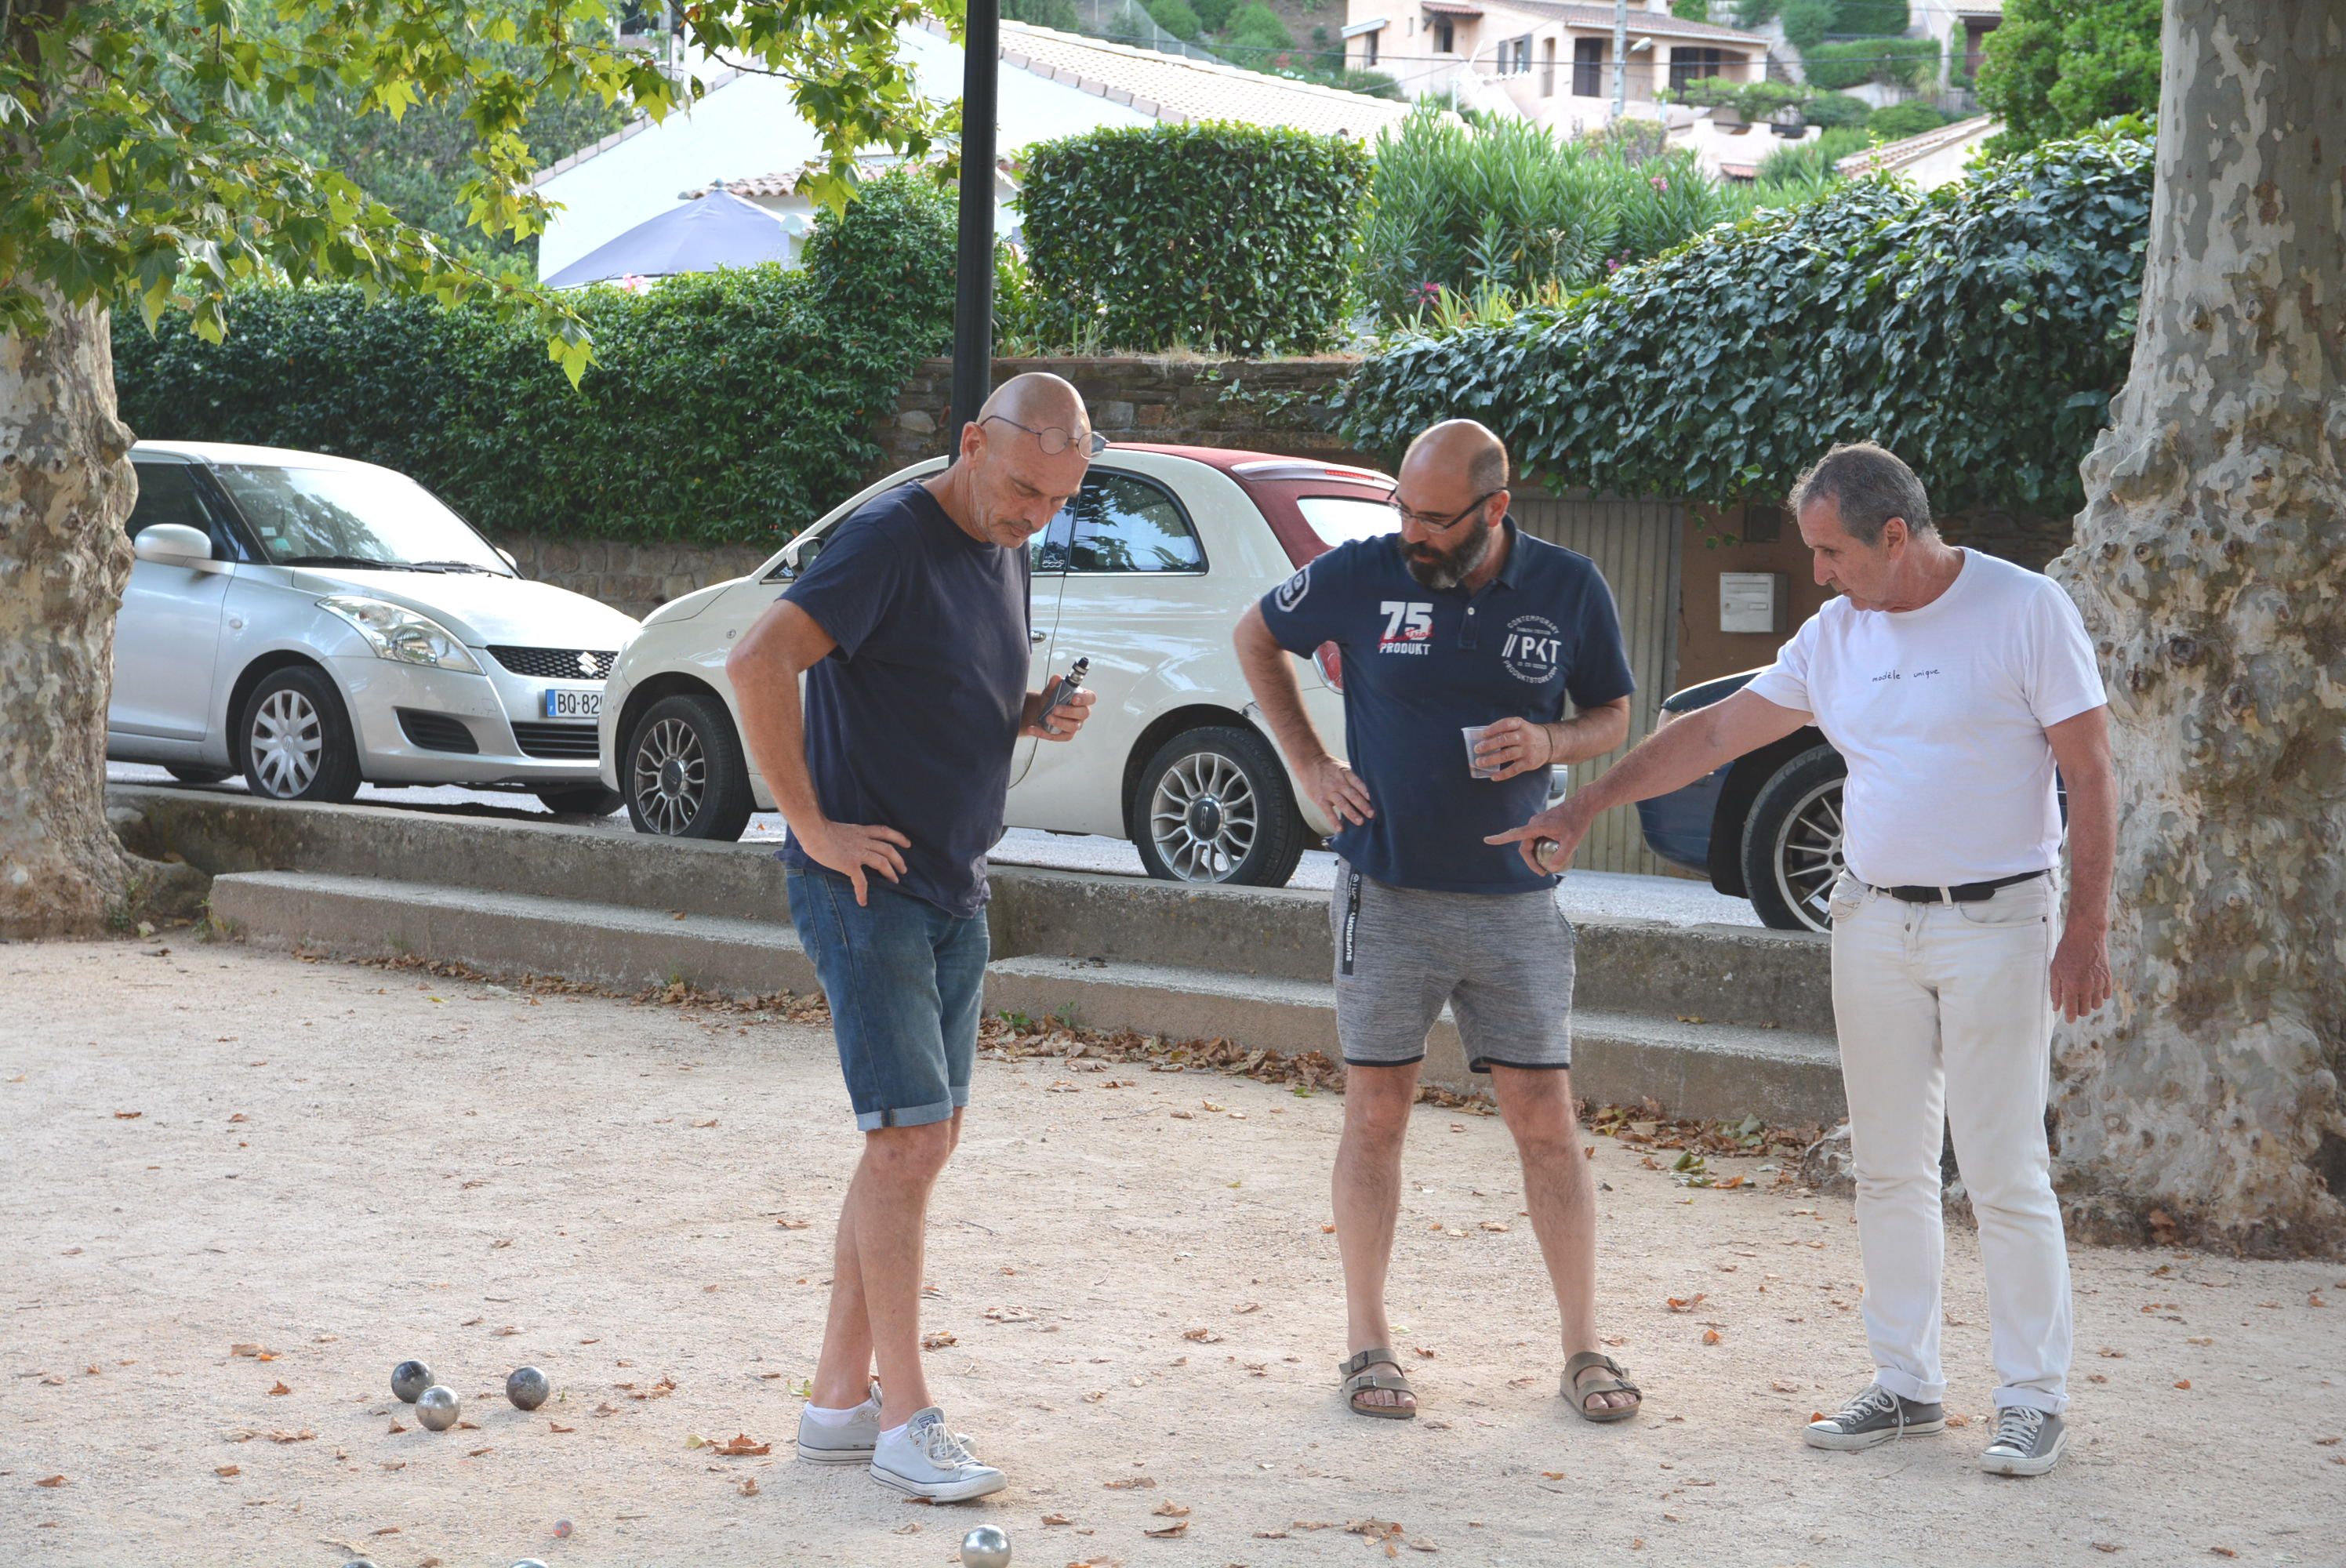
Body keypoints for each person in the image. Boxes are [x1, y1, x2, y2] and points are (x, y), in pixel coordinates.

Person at [1491, 442, 2113, 1477]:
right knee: (1888, 1165)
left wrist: (2084, 931)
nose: (1818, 573)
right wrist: (1588, 800)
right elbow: (1714, 735)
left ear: (1895, 537)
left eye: (1830, 552)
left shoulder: (2024, 610)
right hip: (1869, 922)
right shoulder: (1836, 634)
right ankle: (1907, 1384)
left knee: (2004, 1168)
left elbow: (2090, 773)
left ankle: (2032, 1397)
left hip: (2002, 922)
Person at [724, 374, 1102, 1502]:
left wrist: (1030, 712)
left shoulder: (1006, 535)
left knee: (915, 1145)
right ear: (974, 442)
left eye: (1057, 501)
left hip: (954, 883)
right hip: (866, 887)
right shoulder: (888, 536)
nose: (1035, 516)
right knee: (904, 1147)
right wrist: (810, 824)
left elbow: (934, 675)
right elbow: (756, 660)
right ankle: (907, 1416)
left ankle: (839, 1403)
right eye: (1025, 489)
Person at [1233, 419, 1642, 1423]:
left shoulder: (1568, 586)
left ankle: (1584, 1349)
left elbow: (1614, 715)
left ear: (1495, 508)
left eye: (1432, 516)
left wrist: (1550, 736)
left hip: (1516, 905)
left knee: (1546, 1121)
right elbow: (1255, 636)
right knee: (1375, 1114)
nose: (1411, 530)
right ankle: (1366, 1343)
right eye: (1402, 509)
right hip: (1391, 893)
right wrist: (1307, 761)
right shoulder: (1361, 572)